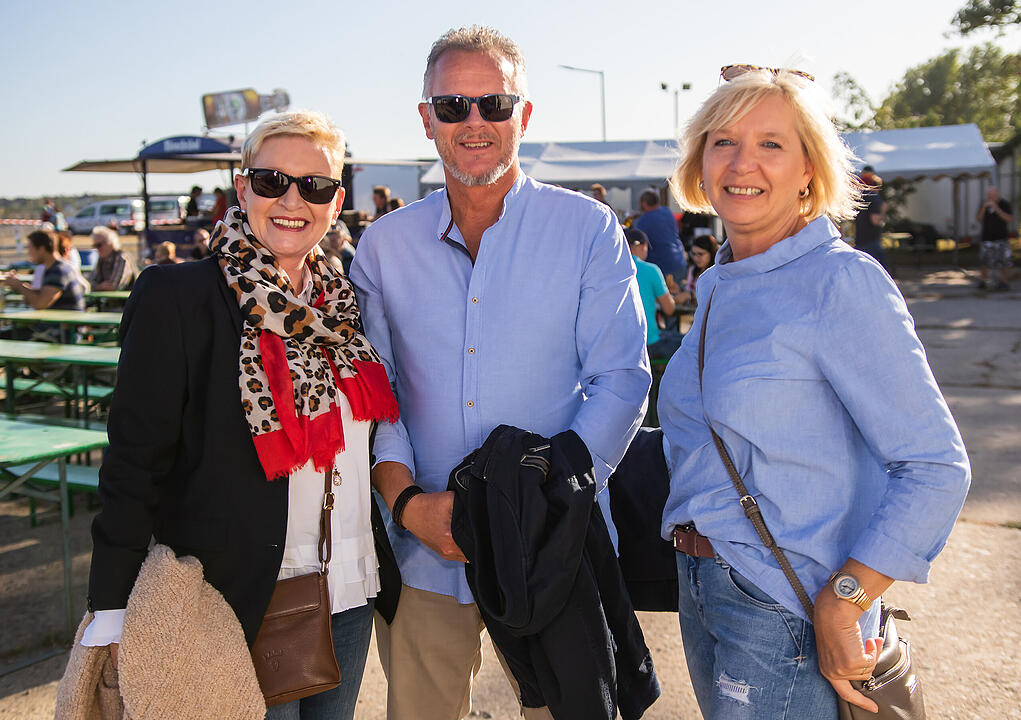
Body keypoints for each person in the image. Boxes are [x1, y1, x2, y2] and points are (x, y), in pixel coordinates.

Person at [349, 25, 650, 720]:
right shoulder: (384, 247)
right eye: (453, 107)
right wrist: (405, 505)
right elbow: (377, 395)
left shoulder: (587, 229)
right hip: (424, 550)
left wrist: (549, 501)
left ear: (524, 114)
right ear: (426, 119)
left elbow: (621, 379)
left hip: (553, 548)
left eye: (494, 104)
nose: (474, 122)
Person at [659, 65, 970, 719]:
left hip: (783, 605)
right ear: (699, 158)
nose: (742, 162)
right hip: (707, 585)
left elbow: (934, 466)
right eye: (723, 140)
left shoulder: (838, 282)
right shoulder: (723, 280)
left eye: (770, 143)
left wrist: (849, 594)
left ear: (808, 168)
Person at [84, 110, 400, 720]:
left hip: (348, 592)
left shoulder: (346, 305)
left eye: (315, 186)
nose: (292, 200)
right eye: (272, 180)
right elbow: (132, 461)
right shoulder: (179, 297)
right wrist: (112, 606)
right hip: (237, 602)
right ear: (242, 188)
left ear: (336, 202)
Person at [627, 227, 680, 359]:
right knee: (694, 344)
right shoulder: (651, 270)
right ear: (643, 246)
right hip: (649, 344)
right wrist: (679, 298)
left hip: (623, 346)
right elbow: (669, 309)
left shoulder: (611, 269)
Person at [1, 229, 85, 311]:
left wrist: (18, 285)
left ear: (41, 249)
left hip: (64, 323)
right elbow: (40, 295)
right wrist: (16, 283)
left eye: (30, 248)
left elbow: (40, 303)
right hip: (56, 321)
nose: (29, 253)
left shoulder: (59, 270)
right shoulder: (53, 268)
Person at [634, 189, 687, 288]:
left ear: (644, 203)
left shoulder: (643, 221)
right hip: (679, 261)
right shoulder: (667, 212)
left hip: (662, 265)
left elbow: (635, 241)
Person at [975, 186, 1013, 291]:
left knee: (1004, 261)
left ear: (997, 194)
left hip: (1001, 238)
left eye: (993, 194)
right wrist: (983, 208)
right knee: (984, 261)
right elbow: (979, 219)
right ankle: (983, 281)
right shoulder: (984, 204)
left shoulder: (1004, 204)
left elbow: (1009, 218)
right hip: (986, 238)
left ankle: (1004, 282)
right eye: (989, 195)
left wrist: (997, 209)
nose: (991, 197)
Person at [853, 165, 888, 272]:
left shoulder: (858, 196)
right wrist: (883, 211)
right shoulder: (873, 196)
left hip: (859, 241)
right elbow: (875, 220)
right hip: (872, 242)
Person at [675, 234, 718, 306]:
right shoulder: (693, 269)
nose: (696, 258)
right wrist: (679, 291)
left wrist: (690, 295)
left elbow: (714, 294)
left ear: (711, 253)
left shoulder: (718, 272)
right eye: (693, 254)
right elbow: (688, 289)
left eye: (700, 254)